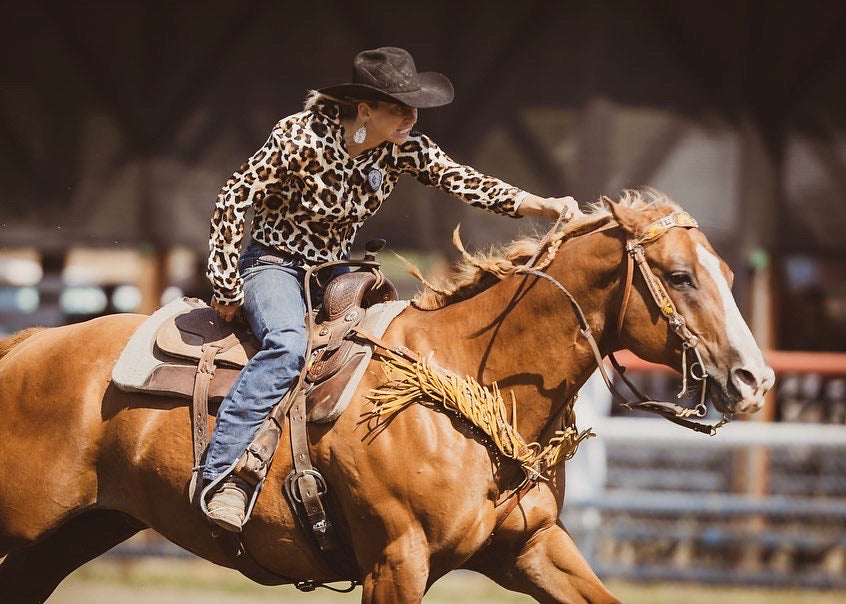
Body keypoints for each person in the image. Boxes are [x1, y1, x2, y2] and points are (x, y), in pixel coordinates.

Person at [201, 46, 583, 532]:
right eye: (401, 107)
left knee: (394, 344)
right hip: (273, 264)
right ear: (365, 110)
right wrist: (225, 282)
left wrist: (544, 206)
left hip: (333, 272)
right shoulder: (299, 137)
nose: (413, 115)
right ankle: (224, 475)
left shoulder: (404, 148)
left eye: (414, 105)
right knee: (286, 346)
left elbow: (466, 182)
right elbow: (236, 195)